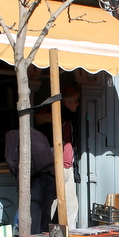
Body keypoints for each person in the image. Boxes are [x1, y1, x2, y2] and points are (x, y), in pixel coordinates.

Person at [38, 87, 82, 228]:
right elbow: (38, 119)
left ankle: (68, 234)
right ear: (67, 103)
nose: (77, 104)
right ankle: (47, 233)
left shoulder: (69, 118)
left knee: (71, 204)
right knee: (52, 203)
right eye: (75, 101)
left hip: (67, 166)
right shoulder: (54, 116)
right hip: (57, 166)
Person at [5, 124, 56, 234]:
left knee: (33, 214)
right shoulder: (40, 134)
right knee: (45, 213)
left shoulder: (13, 134)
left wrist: (18, 174)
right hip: (49, 174)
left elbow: (9, 158)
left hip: (33, 175)